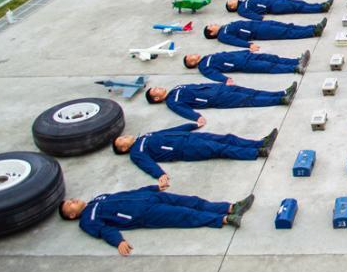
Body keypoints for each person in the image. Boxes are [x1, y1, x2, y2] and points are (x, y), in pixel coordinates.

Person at [59, 187, 254, 255]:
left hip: (150, 198)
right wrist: (118, 241)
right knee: (184, 215)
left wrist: (151, 188)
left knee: (191, 201)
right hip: (145, 214)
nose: (72, 200)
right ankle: (226, 219)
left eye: (70, 199)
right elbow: (103, 230)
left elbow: (127, 193)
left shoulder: (98, 198)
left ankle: (231, 207)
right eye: (69, 205)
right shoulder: (88, 220)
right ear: (71, 215)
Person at [113, 124, 279, 188]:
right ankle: (257, 152)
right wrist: (160, 175)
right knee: (220, 149)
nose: (124, 136)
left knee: (226, 138)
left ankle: (259, 143)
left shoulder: (145, 137)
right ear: (124, 149)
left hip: (188, 137)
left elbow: (167, 131)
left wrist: (190, 126)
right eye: (121, 140)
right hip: (185, 149)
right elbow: (146, 163)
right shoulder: (136, 152)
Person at [145, 82, 297, 125]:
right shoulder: (172, 101)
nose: (158, 88)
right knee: (249, 100)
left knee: (252, 92)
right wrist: (196, 117)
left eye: (156, 87)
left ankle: (282, 92)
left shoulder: (177, 88)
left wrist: (220, 84)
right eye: (155, 91)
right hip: (216, 99)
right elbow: (182, 110)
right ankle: (281, 100)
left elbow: (199, 85)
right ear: (157, 99)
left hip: (218, 89)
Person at [184, 49, 311, 83]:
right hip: (241, 64)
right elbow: (212, 74)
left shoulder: (207, 57)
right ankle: (295, 68)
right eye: (190, 57)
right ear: (192, 63)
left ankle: (296, 61)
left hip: (244, 56)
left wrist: (244, 51)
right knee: (268, 66)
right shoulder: (203, 66)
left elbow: (228, 54)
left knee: (270, 58)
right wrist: (225, 79)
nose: (193, 55)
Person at [203, 18, 327, 49]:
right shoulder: (222, 35)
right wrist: (249, 45)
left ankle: (313, 27)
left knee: (288, 26)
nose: (213, 24)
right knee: (286, 32)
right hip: (259, 31)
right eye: (211, 26)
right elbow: (234, 41)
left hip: (258, 24)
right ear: (212, 33)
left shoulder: (225, 27)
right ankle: (313, 32)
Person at [225, 0, 332, 20]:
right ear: (232, 6)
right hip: (274, 6)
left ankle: (321, 5)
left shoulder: (245, 2)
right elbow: (250, 15)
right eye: (231, 1)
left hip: (274, 1)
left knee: (300, 3)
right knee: (298, 7)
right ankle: (321, 8)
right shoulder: (241, 9)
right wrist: (260, 18)